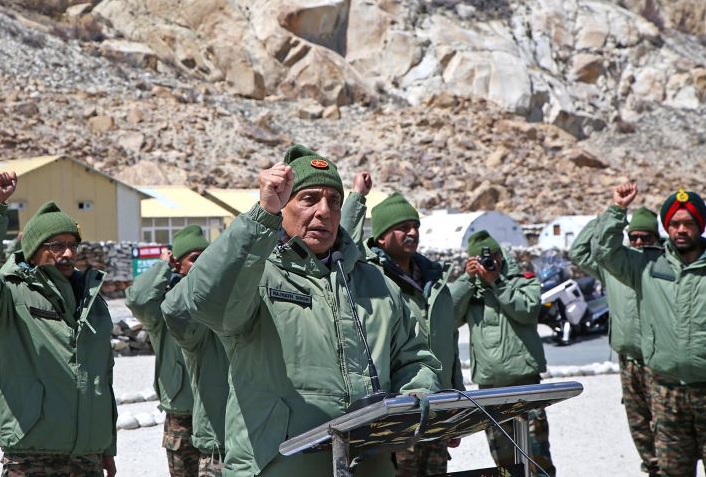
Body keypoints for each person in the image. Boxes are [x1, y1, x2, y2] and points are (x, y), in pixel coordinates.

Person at [161, 144, 441, 477]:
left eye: (334, 201)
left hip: (368, 465)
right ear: (282, 206)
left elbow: (414, 358)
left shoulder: (376, 283)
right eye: (309, 199)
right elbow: (206, 302)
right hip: (278, 465)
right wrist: (260, 216)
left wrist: (416, 395)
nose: (324, 211)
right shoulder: (256, 274)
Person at [0, 172, 117, 476]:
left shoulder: (91, 300)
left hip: (87, 454)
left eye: (73, 245)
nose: (68, 253)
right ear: (34, 249)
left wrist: (106, 445)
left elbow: (101, 376)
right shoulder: (8, 298)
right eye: (56, 245)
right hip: (32, 456)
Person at [592, 183, 706, 476]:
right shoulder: (647, 265)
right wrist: (618, 210)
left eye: (688, 223)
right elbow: (604, 252)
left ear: (700, 226)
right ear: (667, 227)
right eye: (674, 223)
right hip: (666, 393)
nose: (681, 229)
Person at [341, 175, 463, 476]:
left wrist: (456, 407)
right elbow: (343, 243)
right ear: (381, 237)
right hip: (396, 412)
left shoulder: (435, 281)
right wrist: (357, 197)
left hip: (435, 407)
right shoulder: (368, 275)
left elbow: (449, 346)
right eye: (402, 227)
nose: (412, 232)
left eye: (415, 226)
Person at [125, 225, 228, 477]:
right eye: (194, 258)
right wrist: (162, 266)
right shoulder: (162, 308)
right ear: (178, 265)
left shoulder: (218, 301)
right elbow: (137, 299)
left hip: (218, 410)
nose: (201, 264)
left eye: (206, 258)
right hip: (183, 412)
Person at [450, 230, 554, 477]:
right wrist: (467, 279)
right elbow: (447, 317)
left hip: (525, 384)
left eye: (494, 256)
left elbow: (528, 311)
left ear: (501, 256)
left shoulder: (521, 281)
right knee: (505, 465)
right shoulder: (471, 289)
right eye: (482, 259)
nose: (490, 262)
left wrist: (497, 282)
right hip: (490, 388)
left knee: (537, 458)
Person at [569, 207, 660, 476]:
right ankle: (653, 469)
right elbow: (579, 252)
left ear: (656, 238)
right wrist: (604, 219)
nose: (639, 242)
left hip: (658, 360)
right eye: (634, 237)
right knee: (638, 423)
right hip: (627, 359)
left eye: (645, 238)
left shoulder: (662, 266)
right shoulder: (615, 267)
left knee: (665, 424)